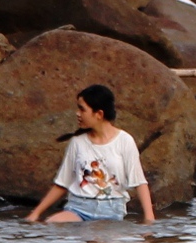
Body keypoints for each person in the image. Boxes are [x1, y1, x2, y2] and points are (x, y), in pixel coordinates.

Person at [24, 84, 156, 224]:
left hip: (111, 210)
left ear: (99, 114)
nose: (77, 113)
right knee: (51, 224)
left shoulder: (125, 141)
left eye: (82, 109)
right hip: (77, 208)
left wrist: (149, 219)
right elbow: (62, 183)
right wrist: (35, 214)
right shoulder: (77, 142)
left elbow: (139, 182)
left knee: (95, 237)